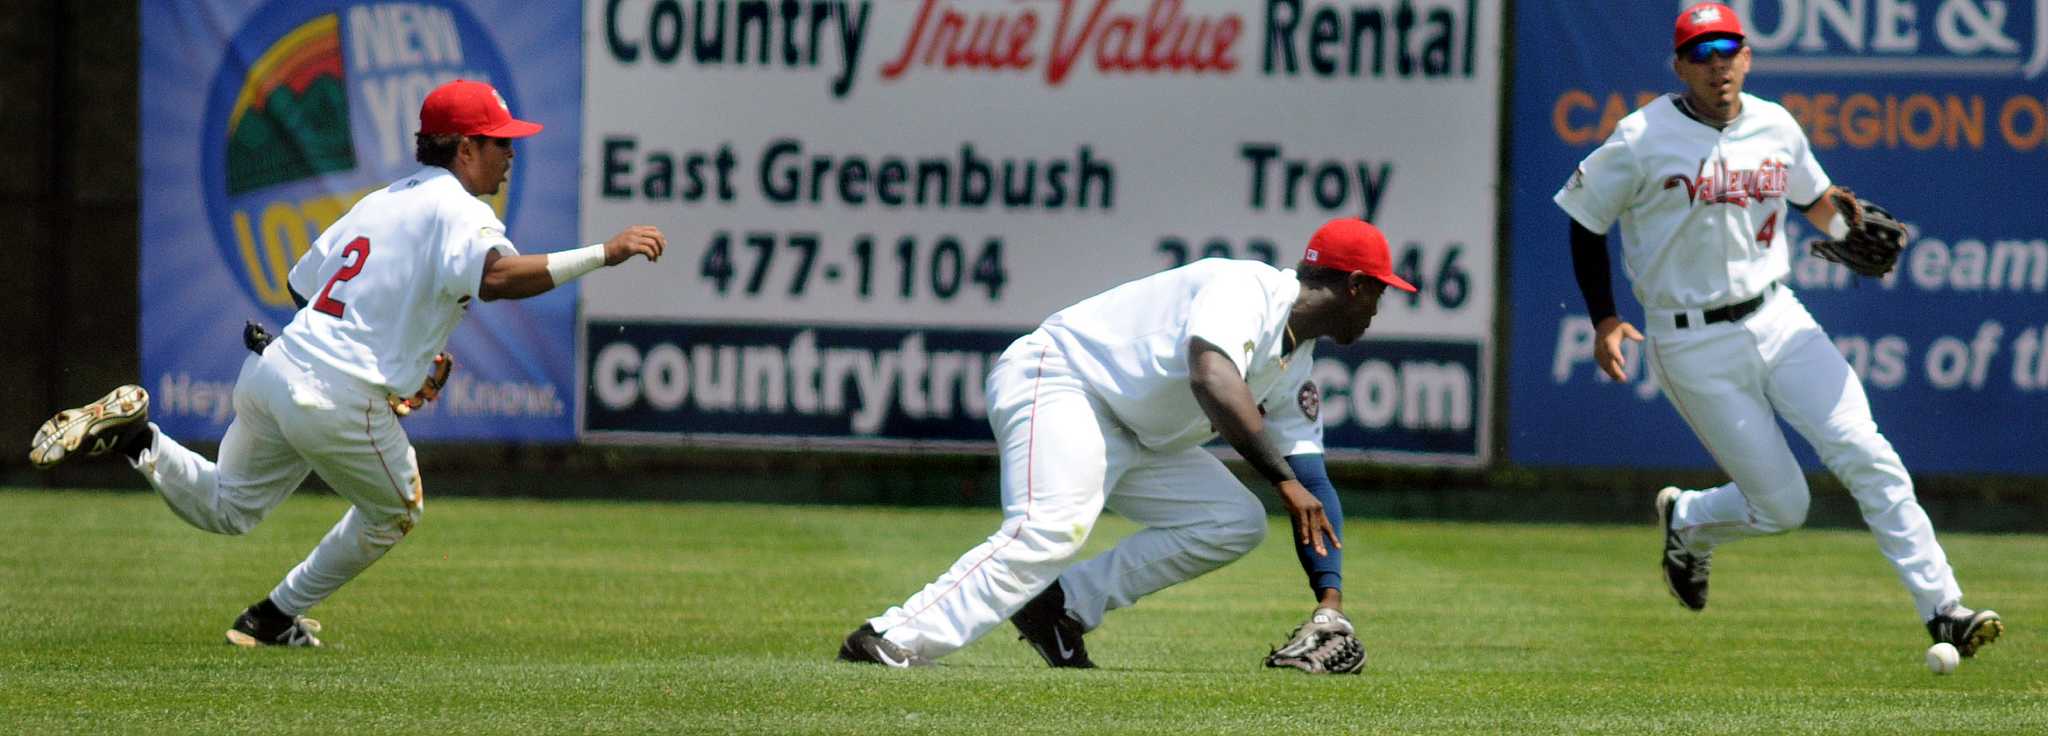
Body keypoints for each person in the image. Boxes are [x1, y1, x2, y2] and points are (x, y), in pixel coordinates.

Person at [27, 79, 666, 647]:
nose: (510, 153)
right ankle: (274, 616)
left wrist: (402, 350)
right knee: (397, 511)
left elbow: (304, 286)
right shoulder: (460, 208)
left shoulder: (382, 200)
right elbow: (497, 277)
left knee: (228, 507)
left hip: (277, 366)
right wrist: (605, 253)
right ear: (463, 149)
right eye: (499, 140)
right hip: (333, 396)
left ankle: (138, 437)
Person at [1554, 3, 2001, 659]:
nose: (1718, 65)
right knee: (1785, 508)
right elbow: (1585, 218)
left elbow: (1817, 203)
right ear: (1680, 66)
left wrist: (1849, 230)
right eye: (1702, 53)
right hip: (1691, 341)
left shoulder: (1775, 125)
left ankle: (1944, 610)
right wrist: (1605, 318)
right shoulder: (1642, 136)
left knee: (1865, 451)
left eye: (1729, 49)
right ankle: (1690, 520)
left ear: (1748, 57)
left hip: (1776, 314)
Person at [836, 217, 1415, 670]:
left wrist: (1329, 602)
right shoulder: (1248, 288)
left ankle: (1060, 608)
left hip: (1138, 432)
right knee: (1049, 527)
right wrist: (1282, 481)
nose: (1377, 309)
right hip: (1063, 381)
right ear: (1355, 284)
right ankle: (890, 639)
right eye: (1378, 294)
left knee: (1234, 520)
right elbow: (1212, 376)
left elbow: (1311, 484)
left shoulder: (1297, 366)